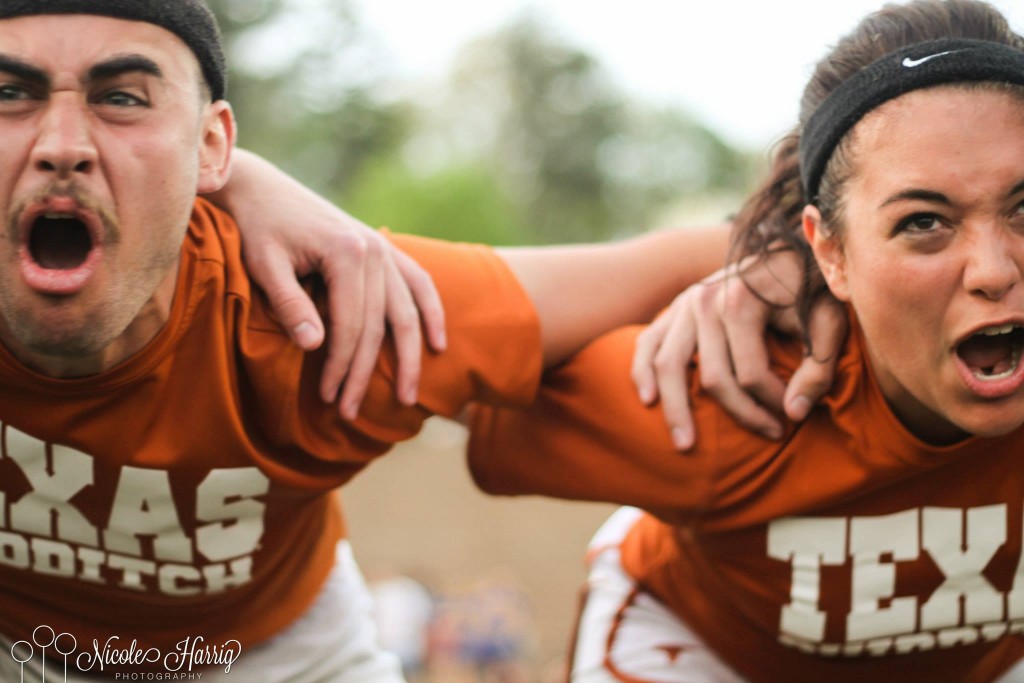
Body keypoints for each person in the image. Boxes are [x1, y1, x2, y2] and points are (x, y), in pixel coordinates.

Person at [0, 2, 746, 681]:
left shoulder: (346, 315)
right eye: (10, 93)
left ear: (212, 145)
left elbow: (684, 259)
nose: (63, 147)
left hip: (275, 652)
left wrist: (762, 274)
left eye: (123, 98)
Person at [468, 1, 1024, 681]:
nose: (995, 269)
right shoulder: (728, 384)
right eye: (923, 221)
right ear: (831, 253)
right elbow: (434, 340)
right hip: (704, 647)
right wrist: (697, 258)